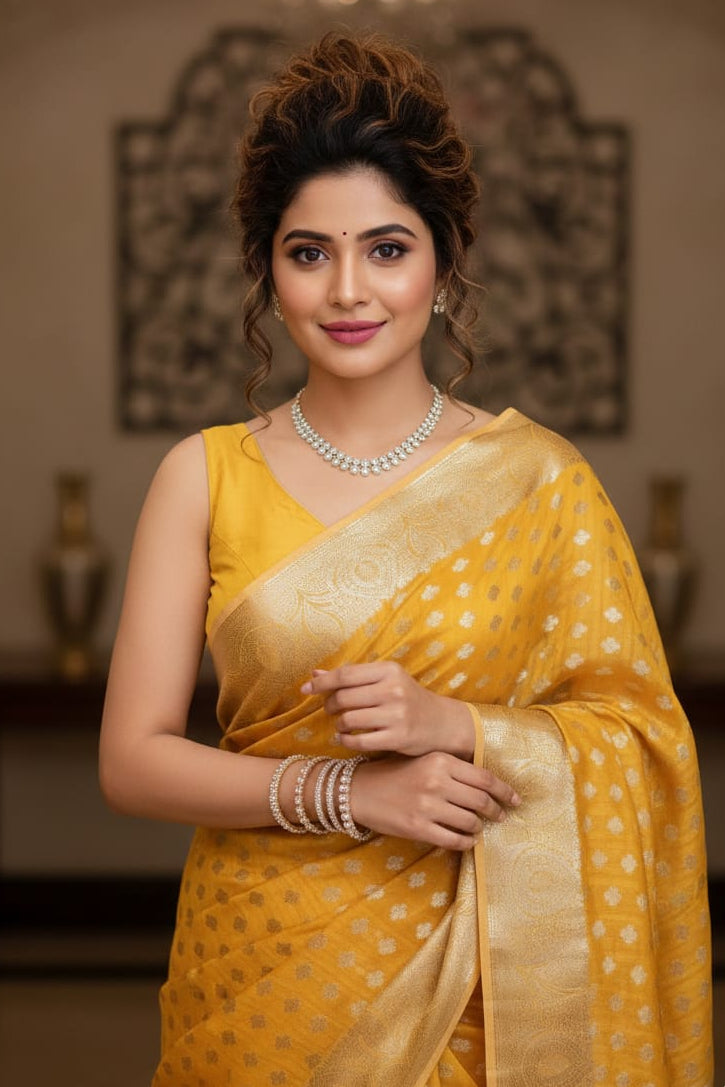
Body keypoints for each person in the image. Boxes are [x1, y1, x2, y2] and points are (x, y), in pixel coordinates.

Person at [99, 31, 713, 1087]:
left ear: (441, 256)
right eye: (308, 252)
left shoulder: (538, 481)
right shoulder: (202, 477)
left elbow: (639, 741)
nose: (348, 290)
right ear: (266, 268)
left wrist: (460, 727)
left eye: (385, 248)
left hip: (483, 985)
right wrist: (349, 791)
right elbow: (133, 759)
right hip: (263, 974)